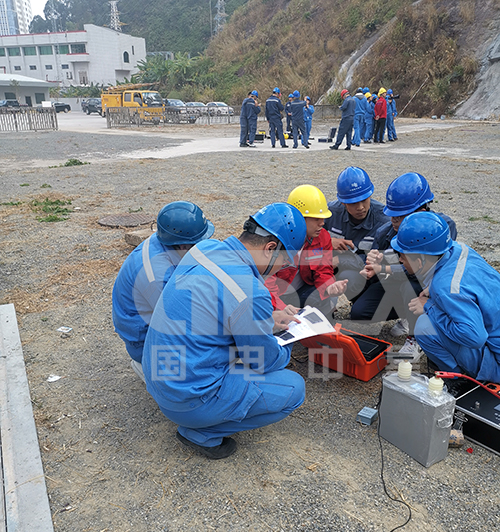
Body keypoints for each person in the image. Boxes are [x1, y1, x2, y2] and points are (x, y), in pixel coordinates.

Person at [142, 203, 308, 459]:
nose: (282, 268)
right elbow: (263, 361)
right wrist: (289, 341)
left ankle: (199, 415)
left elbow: (215, 310)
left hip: (157, 379)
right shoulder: (251, 291)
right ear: (271, 248)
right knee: (294, 389)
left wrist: (267, 319)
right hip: (188, 400)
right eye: (285, 260)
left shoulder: (204, 249)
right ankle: (201, 432)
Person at [351, 172, 457, 360]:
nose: (393, 221)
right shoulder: (385, 232)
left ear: (421, 212)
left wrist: (386, 268)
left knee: (413, 285)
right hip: (398, 282)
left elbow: (430, 272)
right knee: (360, 312)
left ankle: (418, 336)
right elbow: (378, 270)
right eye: (392, 215)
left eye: (400, 217)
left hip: (427, 287)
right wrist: (371, 267)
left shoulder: (443, 227)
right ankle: (408, 313)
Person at [391, 212, 500, 384]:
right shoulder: (458, 249)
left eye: (403, 255)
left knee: (424, 326)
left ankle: (459, 380)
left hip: (497, 362)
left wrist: (430, 306)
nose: (400, 259)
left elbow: (474, 336)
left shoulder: (446, 287)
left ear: (419, 261)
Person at [112, 201, 215, 373]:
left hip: (154, 317)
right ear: (183, 245)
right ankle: (149, 368)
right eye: (200, 242)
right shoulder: (157, 277)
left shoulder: (168, 240)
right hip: (144, 341)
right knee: (211, 361)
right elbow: (184, 324)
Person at [265, 185, 348, 317]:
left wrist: (329, 286)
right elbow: (266, 282)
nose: (322, 223)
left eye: (322, 218)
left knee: (324, 299)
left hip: (300, 292)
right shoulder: (275, 242)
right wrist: (281, 307)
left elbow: (323, 269)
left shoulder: (323, 237)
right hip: (275, 297)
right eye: (316, 219)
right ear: (299, 218)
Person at [324, 166, 389, 302]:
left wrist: (340, 260)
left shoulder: (384, 220)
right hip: (329, 267)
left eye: (364, 200)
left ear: (370, 195)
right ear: (343, 202)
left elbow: (384, 260)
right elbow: (308, 238)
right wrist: (328, 241)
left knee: (360, 310)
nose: (360, 207)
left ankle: (359, 299)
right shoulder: (330, 213)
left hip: (366, 273)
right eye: (353, 203)